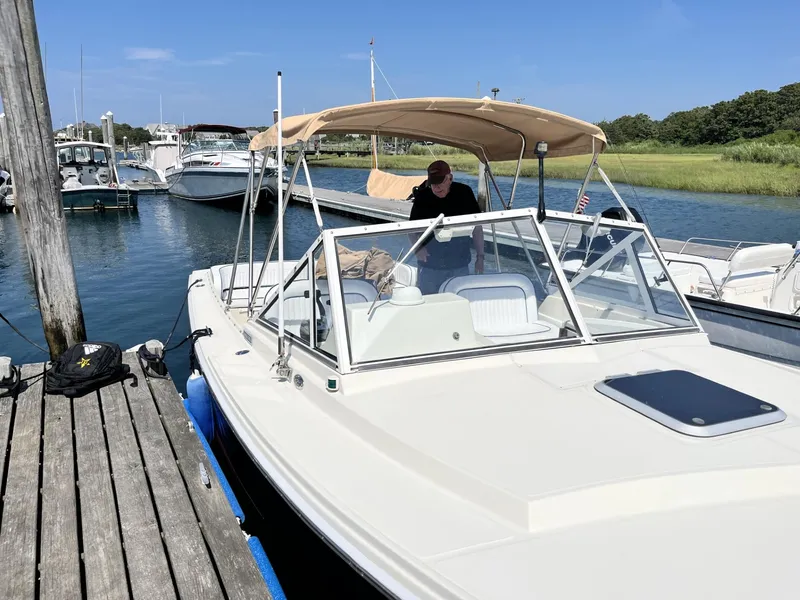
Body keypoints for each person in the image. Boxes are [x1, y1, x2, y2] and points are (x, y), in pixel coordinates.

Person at [408, 160, 484, 294]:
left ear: (450, 178)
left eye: (440, 181)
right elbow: (410, 229)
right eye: (433, 183)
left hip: (459, 263)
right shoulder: (422, 196)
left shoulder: (464, 193)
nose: (437, 187)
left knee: (459, 302)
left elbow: (477, 226)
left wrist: (480, 257)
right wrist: (418, 248)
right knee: (428, 303)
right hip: (429, 265)